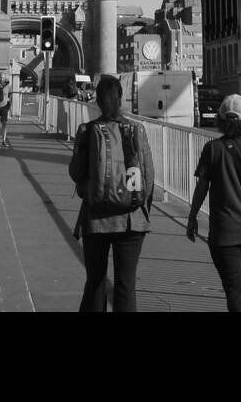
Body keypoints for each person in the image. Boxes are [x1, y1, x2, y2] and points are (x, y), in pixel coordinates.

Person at [68, 73, 154, 312]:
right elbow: (148, 175)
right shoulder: (137, 130)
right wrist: (141, 205)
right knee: (126, 284)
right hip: (132, 220)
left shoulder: (87, 130)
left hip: (96, 219)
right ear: (121, 99)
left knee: (95, 281)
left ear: (97, 101)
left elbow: (76, 172)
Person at [186, 93, 241, 313]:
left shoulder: (212, 149)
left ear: (221, 120)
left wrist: (192, 217)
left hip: (223, 232)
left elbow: (202, 188)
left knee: (234, 289)